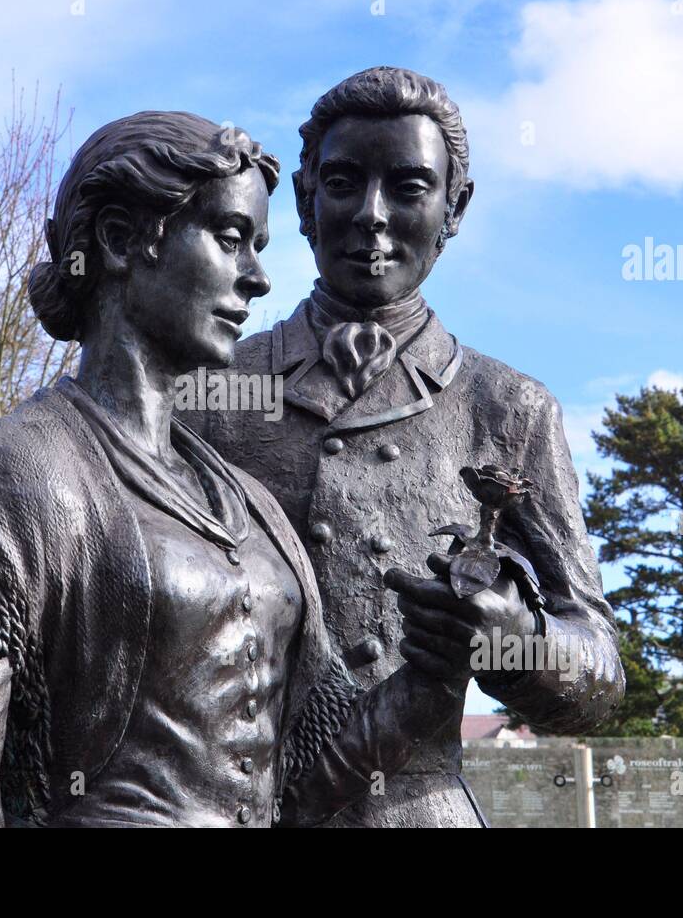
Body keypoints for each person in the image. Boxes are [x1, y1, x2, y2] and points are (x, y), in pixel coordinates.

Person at [0, 110, 482, 827]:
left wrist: (434, 668)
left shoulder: (252, 505)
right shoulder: (14, 473)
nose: (258, 278)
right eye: (231, 239)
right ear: (119, 239)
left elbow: (316, 771)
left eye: (259, 246)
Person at [189, 68, 624, 827]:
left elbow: (601, 676)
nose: (372, 215)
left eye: (410, 187)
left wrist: (514, 641)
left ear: (455, 208)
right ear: (303, 200)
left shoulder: (507, 407)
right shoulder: (207, 388)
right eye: (344, 182)